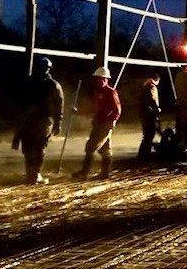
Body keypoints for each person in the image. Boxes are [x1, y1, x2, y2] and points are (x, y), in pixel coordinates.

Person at [14, 57, 64, 185]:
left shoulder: (28, 82)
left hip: (33, 120)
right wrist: (58, 122)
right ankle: (34, 175)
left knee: (30, 147)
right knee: (38, 147)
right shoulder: (53, 84)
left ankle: (31, 174)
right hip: (41, 120)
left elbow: (19, 102)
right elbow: (59, 104)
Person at [73, 67, 121, 180]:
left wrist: (111, 121)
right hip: (98, 123)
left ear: (105, 79)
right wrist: (79, 112)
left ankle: (84, 173)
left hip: (105, 124)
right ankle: (105, 173)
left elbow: (117, 110)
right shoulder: (98, 92)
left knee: (90, 147)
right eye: (96, 78)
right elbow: (94, 109)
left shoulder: (110, 92)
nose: (97, 81)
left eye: (99, 78)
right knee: (105, 149)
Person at [138, 71, 162, 158]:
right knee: (149, 135)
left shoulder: (145, 86)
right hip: (150, 115)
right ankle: (145, 154)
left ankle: (142, 154)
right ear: (156, 80)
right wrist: (157, 110)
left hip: (144, 114)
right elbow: (152, 101)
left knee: (146, 135)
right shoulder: (152, 87)